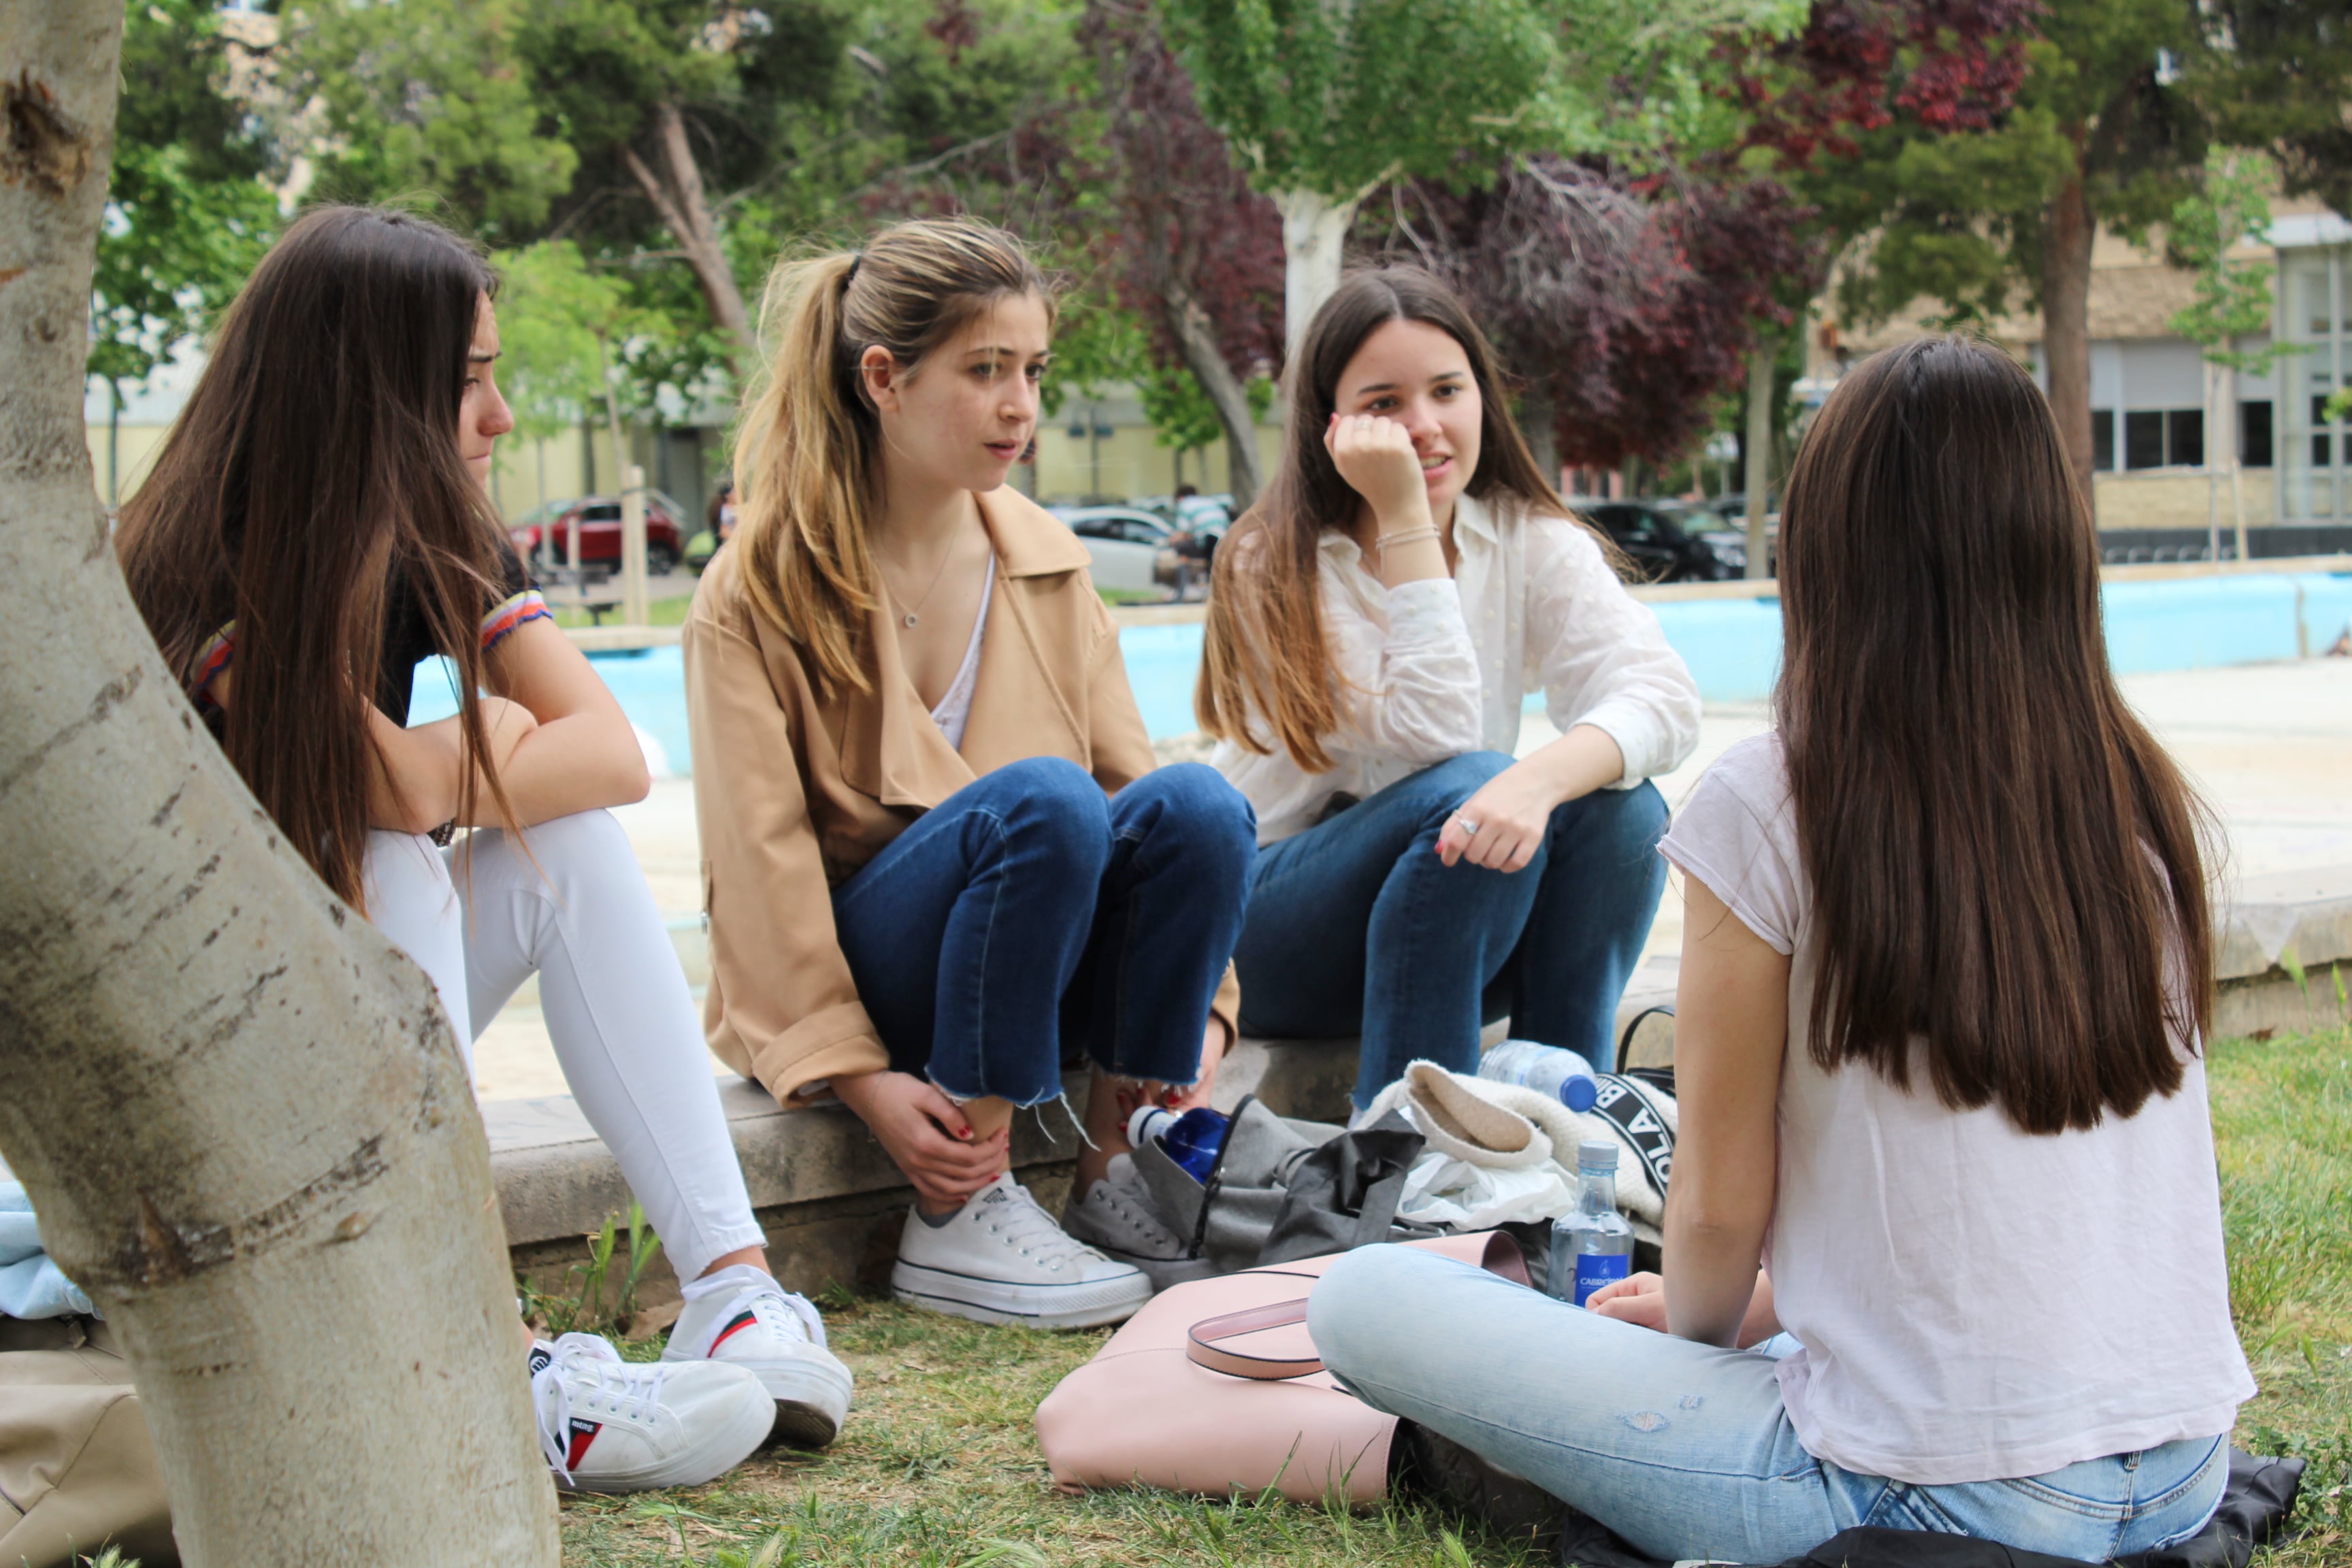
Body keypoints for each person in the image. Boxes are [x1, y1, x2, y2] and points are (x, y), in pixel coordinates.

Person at [1307, 336, 2254, 1564]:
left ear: (1827, 545)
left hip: (1932, 1498)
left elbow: (1715, 1200)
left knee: (1367, 1297)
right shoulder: (2136, 793)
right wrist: (1768, 1314)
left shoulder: (1779, 798)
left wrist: (1693, 1336)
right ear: (2053, 542)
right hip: (2181, 1467)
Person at [115, 206, 854, 1492]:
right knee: (398, 850)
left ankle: (730, 1285)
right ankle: (486, 1352)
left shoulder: (434, 534)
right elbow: (392, 793)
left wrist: (470, 762)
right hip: (195, 1082)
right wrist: (496, 740)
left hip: (352, 1054)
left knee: (558, 838)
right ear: (365, 391)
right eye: (467, 380)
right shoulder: (210, 556)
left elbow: (616, 755)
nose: (500, 414)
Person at [683, 218, 1256, 1324]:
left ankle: (1112, 1175)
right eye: (985, 370)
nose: (1020, 405)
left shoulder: (1045, 559)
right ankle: (961, 1209)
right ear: (884, 379)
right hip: (881, 986)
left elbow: (1149, 808)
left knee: (1200, 802)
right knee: (1045, 797)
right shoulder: (758, 586)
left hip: (1031, 971)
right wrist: (859, 1082)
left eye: (1033, 370)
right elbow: (760, 870)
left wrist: (1208, 1022)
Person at [1198, 267, 1700, 1113]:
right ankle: (1409, 1153)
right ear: (1332, 424)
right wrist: (1402, 517)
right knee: (1471, 788)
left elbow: (1664, 698)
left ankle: (1561, 1131)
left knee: (1626, 812)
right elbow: (1436, 740)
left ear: (1482, 398)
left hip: (1449, 917)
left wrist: (1539, 782)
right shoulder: (1273, 560)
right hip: (1268, 933)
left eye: (1446, 390)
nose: (1424, 426)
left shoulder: (1526, 539)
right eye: (1385, 403)